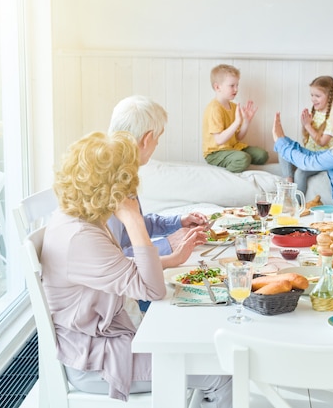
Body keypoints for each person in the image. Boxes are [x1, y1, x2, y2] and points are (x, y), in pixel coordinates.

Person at [41, 131, 232, 406]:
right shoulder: (81, 237)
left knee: (196, 334)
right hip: (98, 358)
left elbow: (116, 269)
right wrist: (133, 221)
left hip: (103, 339)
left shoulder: (78, 218)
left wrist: (170, 260)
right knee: (221, 368)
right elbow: (153, 289)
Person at [107, 95, 207, 270]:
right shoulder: (110, 183)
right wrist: (168, 245)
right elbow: (115, 260)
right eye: (157, 139)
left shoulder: (119, 170)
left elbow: (130, 227)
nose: (156, 145)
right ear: (147, 139)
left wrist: (178, 222)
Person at [272, 96, 333, 205]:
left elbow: (309, 163)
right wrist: (283, 140)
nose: (330, 121)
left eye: (332, 117)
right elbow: (313, 155)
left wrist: (280, 142)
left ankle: (291, 205)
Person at [203, 63, 269, 172]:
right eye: (232, 85)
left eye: (237, 85)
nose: (236, 89)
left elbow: (238, 137)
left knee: (262, 155)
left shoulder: (233, 106)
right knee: (243, 158)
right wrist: (237, 123)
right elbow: (219, 140)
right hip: (215, 153)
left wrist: (246, 122)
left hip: (233, 148)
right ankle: (227, 176)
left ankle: (236, 160)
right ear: (217, 87)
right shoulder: (214, 108)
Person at [279, 76, 333, 194]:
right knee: (283, 147)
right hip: (309, 155)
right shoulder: (316, 112)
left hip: (323, 158)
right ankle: (288, 183)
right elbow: (308, 138)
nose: (313, 99)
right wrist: (306, 124)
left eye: (317, 96)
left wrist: (308, 126)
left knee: (300, 173)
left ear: (329, 96)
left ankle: (297, 204)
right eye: (312, 95)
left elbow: (322, 141)